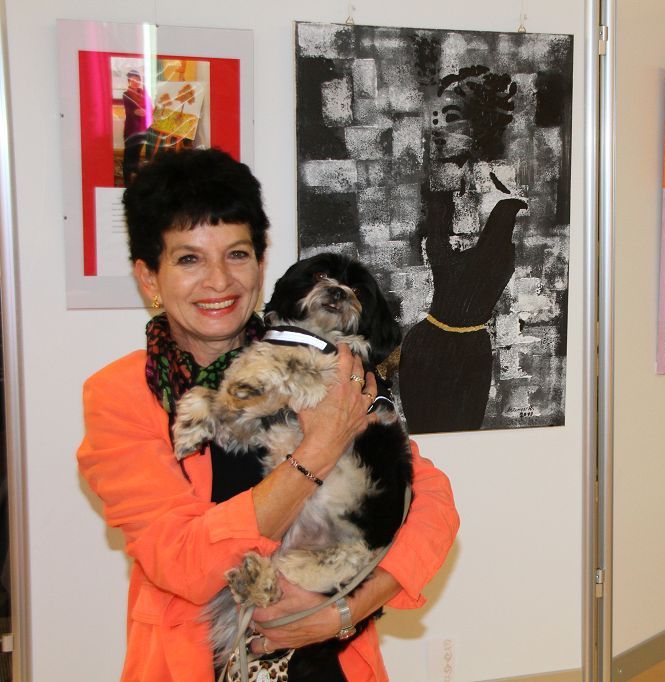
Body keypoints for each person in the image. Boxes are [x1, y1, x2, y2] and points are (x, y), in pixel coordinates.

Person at [76, 148, 459, 681]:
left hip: (328, 663)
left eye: (237, 254)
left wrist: (343, 611)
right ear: (149, 277)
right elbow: (184, 563)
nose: (218, 281)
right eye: (189, 259)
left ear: (260, 263)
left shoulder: (323, 360)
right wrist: (319, 449)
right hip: (202, 659)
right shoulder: (121, 395)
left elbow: (430, 500)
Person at [122, 69, 151, 185]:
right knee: (129, 155)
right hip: (131, 130)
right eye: (133, 80)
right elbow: (131, 111)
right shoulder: (126, 94)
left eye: (138, 80)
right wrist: (140, 111)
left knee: (137, 154)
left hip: (142, 129)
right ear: (129, 81)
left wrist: (147, 111)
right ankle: (127, 180)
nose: (135, 82)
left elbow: (150, 106)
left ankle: (135, 176)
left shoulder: (143, 93)